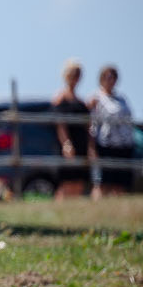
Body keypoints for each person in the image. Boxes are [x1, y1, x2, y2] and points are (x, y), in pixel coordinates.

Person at [88, 65, 136, 196]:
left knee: (120, 182)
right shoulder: (95, 98)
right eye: (107, 77)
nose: (110, 80)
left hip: (124, 145)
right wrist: (91, 147)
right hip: (105, 145)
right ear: (101, 78)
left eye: (113, 77)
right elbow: (91, 124)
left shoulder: (121, 99)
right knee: (102, 181)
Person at [52, 59, 95, 201]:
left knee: (79, 181)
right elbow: (60, 123)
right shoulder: (60, 98)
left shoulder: (82, 102)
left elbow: (88, 126)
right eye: (72, 74)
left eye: (77, 74)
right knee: (66, 181)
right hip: (67, 145)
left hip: (81, 144)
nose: (75, 78)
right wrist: (66, 143)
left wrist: (90, 147)